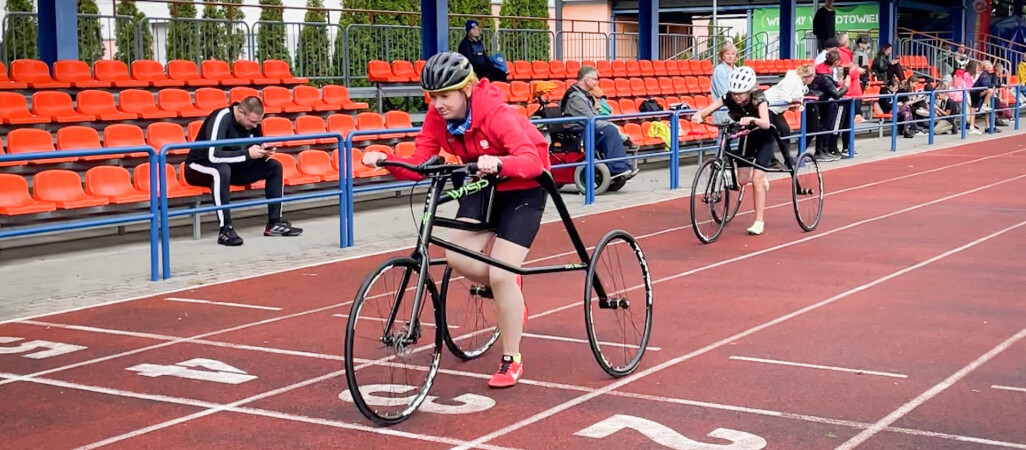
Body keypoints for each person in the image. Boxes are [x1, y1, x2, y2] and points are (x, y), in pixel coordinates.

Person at [362, 52, 548, 389]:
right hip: (482, 181)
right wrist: (386, 160)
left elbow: (532, 161)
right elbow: (419, 162)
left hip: (523, 187)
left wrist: (501, 163)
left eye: (445, 96)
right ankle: (508, 288)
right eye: (433, 96)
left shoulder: (496, 114)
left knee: (501, 273)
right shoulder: (437, 117)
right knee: (457, 257)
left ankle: (512, 359)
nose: (438, 104)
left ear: (467, 89)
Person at [184, 96, 302, 246]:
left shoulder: (253, 123)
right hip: (199, 166)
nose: (255, 126)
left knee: (274, 166)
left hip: (233, 166)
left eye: (258, 122)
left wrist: (263, 151)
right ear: (240, 112)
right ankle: (225, 229)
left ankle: (274, 223)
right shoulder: (221, 118)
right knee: (221, 171)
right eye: (252, 122)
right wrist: (247, 154)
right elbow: (213, 156)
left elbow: (256, 143)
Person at [691, 66, 787, 236]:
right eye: (734, 93)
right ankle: (761, 180)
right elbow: (708, 110)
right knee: (742, 180)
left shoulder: (759, 98)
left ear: (749, 91)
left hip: (764, 137)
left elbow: (766, 123)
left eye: (741, 93)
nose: (737, 97)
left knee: (757, 179)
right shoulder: (728, 97)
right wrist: (699, 115)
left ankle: (759, 221)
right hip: (747, 136)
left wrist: (752, 119)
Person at [560, 66, 639, 179]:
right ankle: (617, 168)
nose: (597, 82)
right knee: (610, 131)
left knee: (610, 129)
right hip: (578, 132)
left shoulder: (584, 95)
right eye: (595, 79)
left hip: (586, 129)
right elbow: (592, 120)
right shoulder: (576, 98)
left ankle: (621, 167)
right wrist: (610, 125)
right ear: (587, 80)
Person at [711, 42, 739, 123]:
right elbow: (724, 94)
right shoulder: (719, 71)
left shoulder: (737, 70)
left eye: (732, 54)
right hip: (724, 113)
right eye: (727, 54)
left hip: (736, 111)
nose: (730, 56)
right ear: (722, 56)